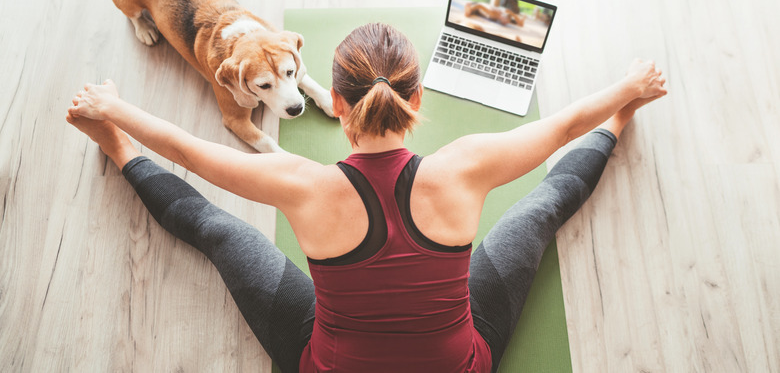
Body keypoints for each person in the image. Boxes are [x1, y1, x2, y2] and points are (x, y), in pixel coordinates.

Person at [66, 23, 666, 373]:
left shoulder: (304, 184)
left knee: (220, 233)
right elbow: (561, 127)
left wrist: (111, 107)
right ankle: (619, 126)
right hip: (460, 363)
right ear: (417, 96)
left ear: (337, 101)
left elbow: (191, 152)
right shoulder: (468, 165)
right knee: (538, 211)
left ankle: (118, 150)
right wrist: (627, 91)